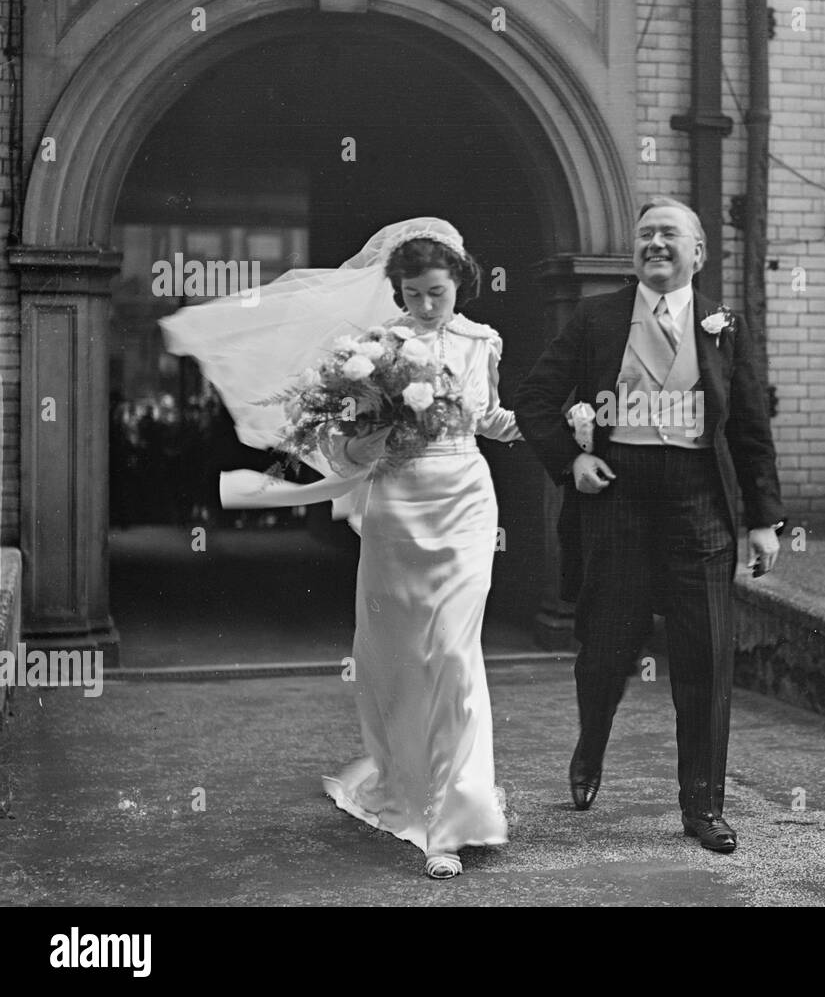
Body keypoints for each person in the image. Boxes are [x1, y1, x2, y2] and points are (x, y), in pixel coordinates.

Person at [159, 218, 518, 879]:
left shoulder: (482, 342)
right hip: (397, 507)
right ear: (398, 291)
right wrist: (377, 431)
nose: (426, 306)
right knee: (401, 654)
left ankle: (449, 818)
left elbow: (488, 416)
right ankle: (413, 786)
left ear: (459, 285)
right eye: (412, 294)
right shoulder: (375, 353)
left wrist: (545, 428)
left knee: (452, 651)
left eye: (437, 292)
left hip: (466, 502)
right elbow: (348, 446)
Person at [513, 196, 785, 853]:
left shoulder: (725, 328)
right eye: (646, 235)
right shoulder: (597, 317)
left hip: (700, 503)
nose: (656, 243)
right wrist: (572, 459)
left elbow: (749, 426)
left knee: (706, 657)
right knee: (605, 648)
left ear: (698, 253)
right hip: (618, 497)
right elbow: (535, 400)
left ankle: (703, 806)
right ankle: (591, 743)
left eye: (670, 234)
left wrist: (764, 519)